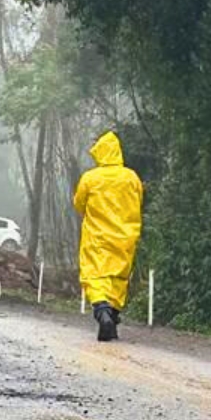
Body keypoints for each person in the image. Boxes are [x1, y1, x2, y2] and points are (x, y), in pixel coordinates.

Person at [73, 131, 143, 343]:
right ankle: (112, 315)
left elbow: (79, 204)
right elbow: (139, 200)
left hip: (97, 237)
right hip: (125, 236)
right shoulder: (131, 177)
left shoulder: (90, 178)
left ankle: (102, 310)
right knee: (118, 277)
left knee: (94, 275)